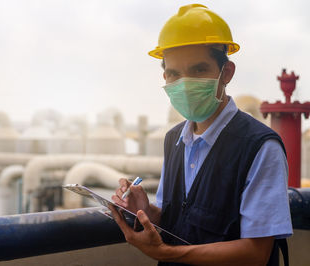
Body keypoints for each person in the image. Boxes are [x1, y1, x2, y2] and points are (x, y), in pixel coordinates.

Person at [110, 3, 292, 266]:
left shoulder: (260, 147)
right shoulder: (173, 140)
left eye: (198, 70)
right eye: (174, 74)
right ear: (165, 77)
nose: (184, 84)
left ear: (226, 73)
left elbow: (255, 253)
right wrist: (146, 211)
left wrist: (165, 253)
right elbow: (177, 219)